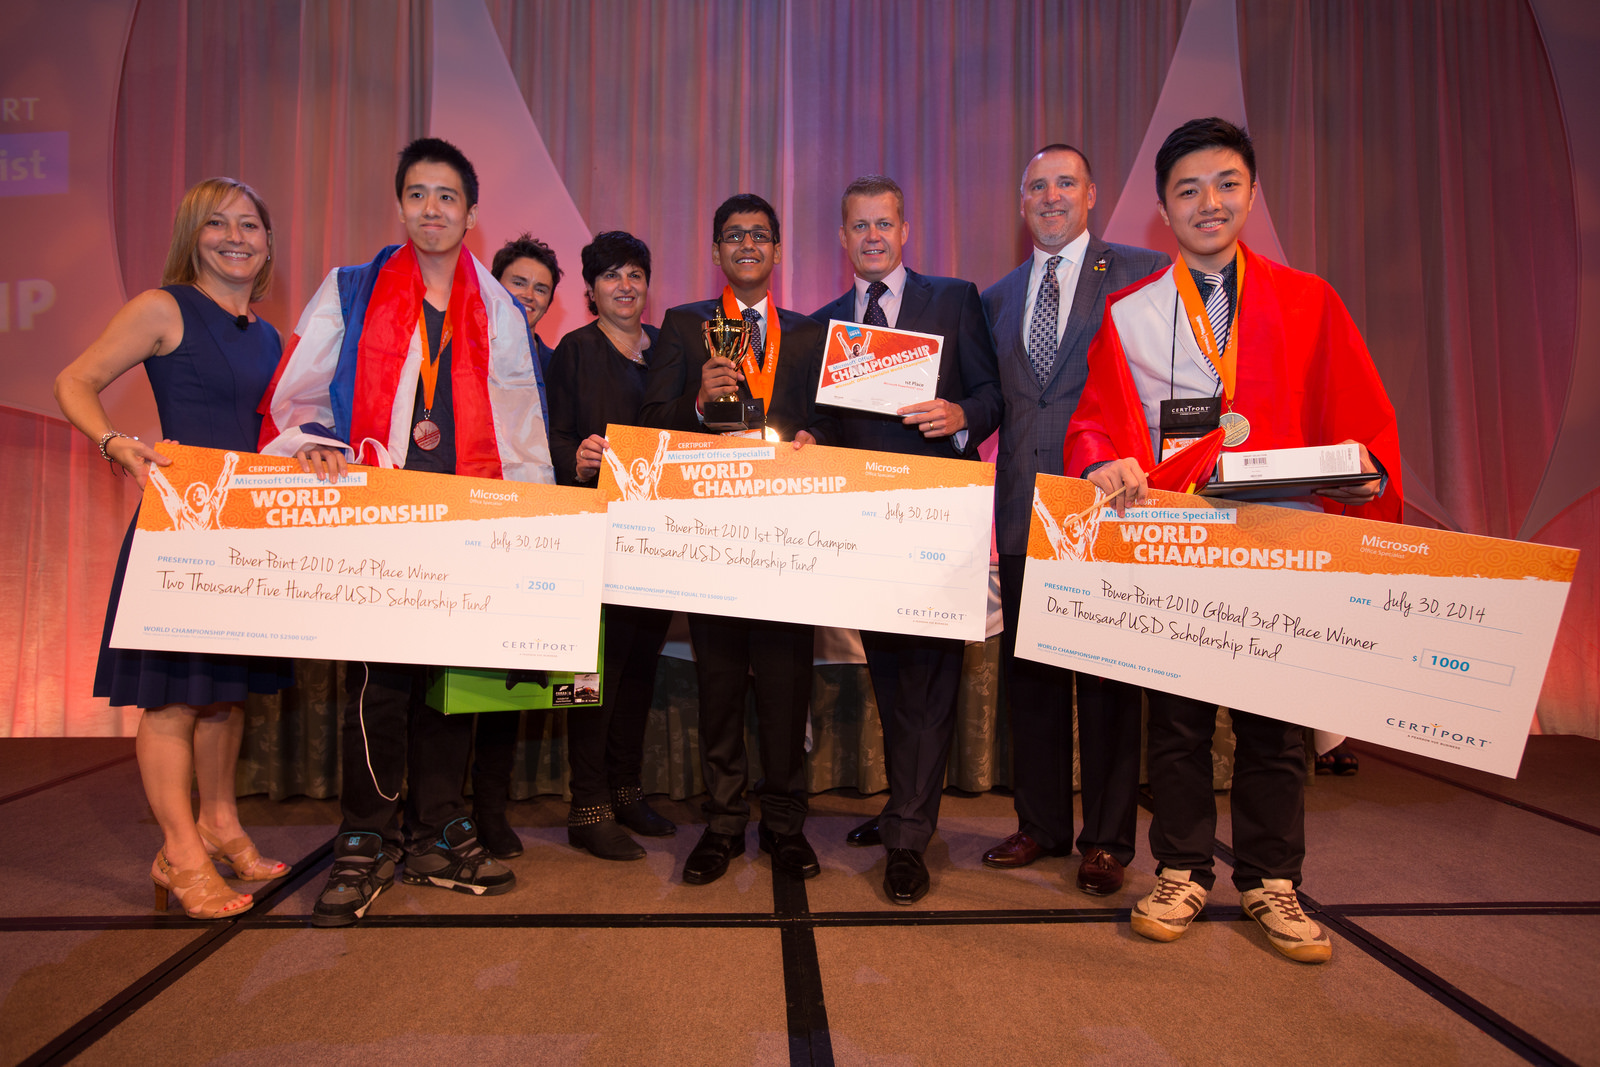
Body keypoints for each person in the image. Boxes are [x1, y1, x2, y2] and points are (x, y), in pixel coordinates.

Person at [1063, 118, 1403, 963]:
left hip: (1281, 539)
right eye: (1187, 189)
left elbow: (1362, 419)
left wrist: (1365, 474)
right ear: (1163, 208)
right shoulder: (1132, 313)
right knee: (1176, 722)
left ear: (1252, 193)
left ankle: (1271, 879)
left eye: (1225, 184)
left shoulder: (1310, 301)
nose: (1207, 202)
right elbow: (1096, 421)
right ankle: (1181, 869)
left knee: (1273, 726)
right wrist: (1101, 460)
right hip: (1181, 544)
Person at [259, 138, 552, 926]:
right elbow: (299, 393)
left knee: (451, 682)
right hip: (380, 518)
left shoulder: (498, 308)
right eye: (418, 194)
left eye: (447, 196)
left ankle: (436, 831)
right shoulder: (350, 289)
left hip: (466, 519)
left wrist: (532, 530)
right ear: (400, 206)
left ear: (472, 213)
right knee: (378, 684)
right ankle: (365, 835)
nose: (432, 209)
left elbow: (523, 429)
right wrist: (311, 438)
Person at [54, 177, 291, 920]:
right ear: (193, 236)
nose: (235, 238)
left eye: (249, 225)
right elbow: (74, 379)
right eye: (217, 224)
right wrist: (114, 442)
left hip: (243, 531)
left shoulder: (270, 335)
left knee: (223, 695)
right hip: (180, 529)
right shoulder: (163, 308)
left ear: (268, 243)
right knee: (171, 700)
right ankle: (179, 854)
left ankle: (220, 826)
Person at [980, 145, 1168, 895]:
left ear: (1092, 194)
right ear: (1021, 201)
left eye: (1065, 182)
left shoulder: (1143, 274)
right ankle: (1042, 824)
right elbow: (993, 400)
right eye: (1037, 186)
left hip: (1109, 511)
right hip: (1024, 512)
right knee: (1032, 682)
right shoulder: (996, 297)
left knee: (1109, 688)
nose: (1051, 196)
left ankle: (1108, 842)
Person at [810, 175, 1003, 904]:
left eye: (884, 224)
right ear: (842, 237)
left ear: (905, 230)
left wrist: (960, 414)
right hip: (866, 533)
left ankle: (908, 840)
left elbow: (991, 395)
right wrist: (810, 437)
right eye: (859, 226)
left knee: (930, 682)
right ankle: (904, 807)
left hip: (937, 525)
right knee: (891, 681)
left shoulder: (953, 299)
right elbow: (823, 422)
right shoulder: (829, 324)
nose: (873, 237)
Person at [639, 193, 833, 886]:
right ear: (716, 251)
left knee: (785, 689)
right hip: (711, 541)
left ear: (777, 250)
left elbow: (834, 423)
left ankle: (784, 823)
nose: (746, 244)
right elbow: (650, 420)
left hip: (788, 542)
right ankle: (722, 824)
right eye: (732, 234)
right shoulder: (684, 325)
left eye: (759, 234)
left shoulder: (809, 334)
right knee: (719, 688)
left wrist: (818, 438)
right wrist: (696, 403)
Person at [545, 231, 677, 860]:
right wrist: (573, 455)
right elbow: (549, 435)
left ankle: (626, 791)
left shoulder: (670, 352)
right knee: (595, 674)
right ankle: (588, 806)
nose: (625, 286)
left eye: (635, 274)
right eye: (610, 275)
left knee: (641, 669)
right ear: (591, 290)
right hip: (595, 536)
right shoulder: (574, 350)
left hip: (659, 539)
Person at [467, 233, 566, 860]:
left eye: (541, 289)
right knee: (448, 676)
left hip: (525, 538)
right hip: (464, 529)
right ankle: (435, 808)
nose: (528, 295)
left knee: (502, 681)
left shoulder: (552, 364)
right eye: (518, 283)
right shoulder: (458, 349)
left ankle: (489, 807)